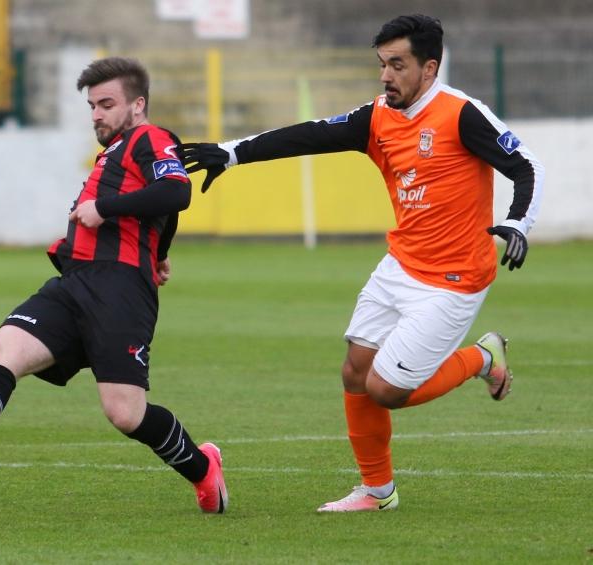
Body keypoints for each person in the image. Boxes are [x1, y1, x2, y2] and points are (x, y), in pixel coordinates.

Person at [181, 14, 543, 512]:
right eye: (381, 64)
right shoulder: (377, 117)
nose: (385, 76)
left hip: (455, 279)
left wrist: (518, 222)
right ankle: (377, 492)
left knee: (387, 389)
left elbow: (527, 166)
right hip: (400, 265)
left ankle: (482, 357)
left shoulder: (461, 114)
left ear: (429, 68)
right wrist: (230, 154)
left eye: (398, 65)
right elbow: (307, 135)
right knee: (355, 372)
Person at [0, 57, 228, 514]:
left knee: (125, 414)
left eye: (107, 103)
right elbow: (166, 209)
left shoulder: (151, 138)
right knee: (3, 354)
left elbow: (178, 193)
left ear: (138, 105)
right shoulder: (115, 152)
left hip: (119, 293)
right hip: (73, 284)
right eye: (92, 105)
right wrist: (158, 251)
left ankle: (203, 469)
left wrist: (108, 210)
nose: (96, 114)